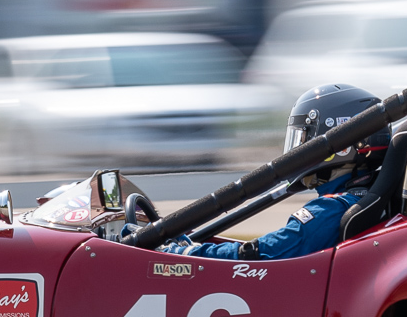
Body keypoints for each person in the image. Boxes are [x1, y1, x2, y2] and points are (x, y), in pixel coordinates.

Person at [159, 83, 390, 260]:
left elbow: (263, 253)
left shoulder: (330, 210)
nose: (297, 151)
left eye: (304, 139)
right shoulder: (365, 196)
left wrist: (188, 254)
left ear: (342, 148)